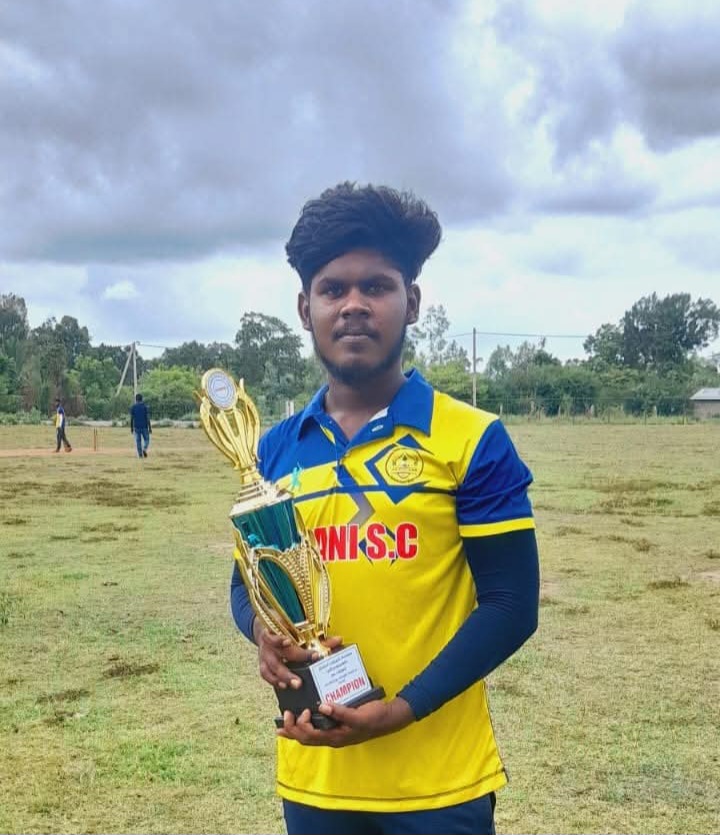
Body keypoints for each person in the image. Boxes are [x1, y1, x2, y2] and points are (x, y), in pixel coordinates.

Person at [230, 182, 540, 835]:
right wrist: (263, 634)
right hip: (316, 777)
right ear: (304, 307)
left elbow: (511, 604)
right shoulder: (273, 451)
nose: (353, 305)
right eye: (333, 288)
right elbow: (246, 585)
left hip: (440, 784)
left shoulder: (471, 438)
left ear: (413, 301)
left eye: (376, 286)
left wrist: (402, 709)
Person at [129, 393, 151, 458]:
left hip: (136, 427)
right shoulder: (145, 407)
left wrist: (131, 428)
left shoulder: (133, 407)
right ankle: (144, 449)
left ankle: (140, 455)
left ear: (136, 399)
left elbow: (132, 418)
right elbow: (147, 418)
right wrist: (150, 427)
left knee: (138, 441)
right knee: (147, 439)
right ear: (142, 399)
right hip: (144, 427)